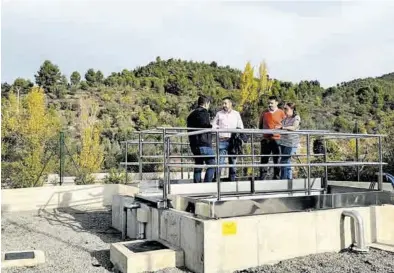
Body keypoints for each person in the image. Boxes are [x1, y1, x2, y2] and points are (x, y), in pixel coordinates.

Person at [212, 97, 244, 181]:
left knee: (233, 162)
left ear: (230, 104)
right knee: (220, 161)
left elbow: (241, 126)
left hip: (233, 141)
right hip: (222, 140)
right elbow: (213, 125)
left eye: (225, 103)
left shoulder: (236, 114)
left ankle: (232, 181)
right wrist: (218, 128)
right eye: (223, 103)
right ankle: (217, 180)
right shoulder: (219, 114)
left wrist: (237, 134)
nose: (224, 105)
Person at [186, 96, 215, 183]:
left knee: (198, 164)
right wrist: (211, 126)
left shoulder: (191, 115)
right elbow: (205, 126)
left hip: (193, 144)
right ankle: (207, 184)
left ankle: (196, 184)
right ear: (206, 103)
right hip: (203, 143)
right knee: (212, 164)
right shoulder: (204, 112)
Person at [258, 96, 286, 180]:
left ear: (276, 103)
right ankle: (262, 178)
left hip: (277, 139)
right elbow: (260, 125)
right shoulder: (264, 112)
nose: (270, 105)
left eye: (271, 103)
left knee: (277, 159)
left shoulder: (281, 113)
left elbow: (285, 125)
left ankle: (276, 178)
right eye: (269, 103)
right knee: (264, 159)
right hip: (266, 139)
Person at [276, 102, 301, 180]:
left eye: (286, 109)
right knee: (285, 161)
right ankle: (287, 179)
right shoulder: (285, 118)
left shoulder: (296, 117)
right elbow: (280, 126)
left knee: (285, 161)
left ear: (292, 109)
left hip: (291, 143)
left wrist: (283, 128)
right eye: (284, 109)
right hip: (283, 142)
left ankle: (285, 179)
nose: (284, 110)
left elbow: (294, 127)